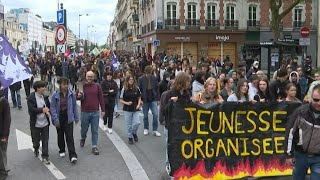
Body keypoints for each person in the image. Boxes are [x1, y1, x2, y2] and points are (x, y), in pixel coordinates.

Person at [285, 84, 320, 179]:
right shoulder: (300, 112)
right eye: (316, 100)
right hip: (300, 155)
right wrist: (289, 154)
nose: (319, 103)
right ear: (310, 98)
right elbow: (290, 132)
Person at [159, 72, 191, 175]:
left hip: (183, 126)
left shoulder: (186, 93)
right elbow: (164, 110)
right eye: (187, 81)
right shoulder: (169, 94)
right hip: (171, 125)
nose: (189, 83)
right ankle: (169, 166)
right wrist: (172, 102)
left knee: (181, 147)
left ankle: (179, 167)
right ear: (182, 82)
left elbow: (188, 107)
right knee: (170, 146)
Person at [50, 78, 79, 163]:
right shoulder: (55, 95)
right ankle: (62, 149)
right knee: (60, 134)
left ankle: (73, 155)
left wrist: (76, 118)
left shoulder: (71, 94)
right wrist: (55, 119)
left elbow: (74, 106)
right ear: (60, 85)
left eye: (67, 84)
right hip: (59, 116)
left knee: (69, 136)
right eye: (64, 84)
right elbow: (53, 108)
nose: (66, 86)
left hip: (68, 116)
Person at [77, 71, 105, 155]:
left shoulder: (97, 86)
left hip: (95, 112)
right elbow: (76, 97)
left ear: (93, 77)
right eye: (88, 76)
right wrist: (78, 96)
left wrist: (103, 110)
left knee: (95, 130)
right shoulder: (82, 86)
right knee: (84, 129)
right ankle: (83, 137)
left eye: (91, 76)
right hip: (84, 112)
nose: (89, 78)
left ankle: (94, 146)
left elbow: (101, 98)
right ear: (86, 77)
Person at [27, 81, 51, 165]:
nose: (44, 88)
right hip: (35, 124)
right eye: (42, 87)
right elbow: (31, 110)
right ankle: (36, 148)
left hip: (45, 123)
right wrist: (42, 110)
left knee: (45, 140)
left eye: (44, 87)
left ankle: (45, 156)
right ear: (37, 88)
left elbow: (48, 107)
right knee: (36, 141)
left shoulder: (45, 97)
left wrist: (48, 112)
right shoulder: (31, 98)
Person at [138, 65, 161, 136]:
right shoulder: (141, 79)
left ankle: (155, 129)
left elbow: (157, 89)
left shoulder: (154, 78)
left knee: (156, 114)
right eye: (147, 73)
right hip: (145, 98)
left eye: (150, 73)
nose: (149, 75)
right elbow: (139, 90)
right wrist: (140, 99)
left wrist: (158, 99)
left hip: (153, 97)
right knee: (145, 115)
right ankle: (146, 128)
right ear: (145, 72)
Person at [120, 75, 143, 144]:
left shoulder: (136, 88)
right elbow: (120, 100)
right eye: (130, 79)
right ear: (127, 81)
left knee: (137, 123)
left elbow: (139, 97)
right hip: (127, 109)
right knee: (129, 124)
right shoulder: (124, 89)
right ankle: (130, 137)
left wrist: (139, 105)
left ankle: (134, 132)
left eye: (132, 79)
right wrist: (126, 103)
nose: (131, 81)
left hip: (135, 108)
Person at [0, 82, 11, 179]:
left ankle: (3, 172)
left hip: (2, 133)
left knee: (2, 152)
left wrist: (4, 135)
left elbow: (7, 120)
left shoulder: (3, 101)